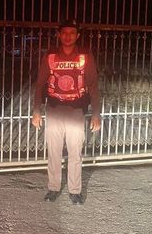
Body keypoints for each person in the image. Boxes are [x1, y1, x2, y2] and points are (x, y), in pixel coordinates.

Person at [31, 19, 101, 204]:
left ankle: (74, 191)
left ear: (77, 36)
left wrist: (96, 113)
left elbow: (93, 85)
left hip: (76, 110)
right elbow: (40, 84)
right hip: (54, 109)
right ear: (59, 35)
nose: (68, 36)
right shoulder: (50, 56)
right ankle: (53, 188)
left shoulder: (85, 56)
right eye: (64, 32)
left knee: (75, 152)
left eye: (72, 33)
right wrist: (36, 110)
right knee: (54, 152)